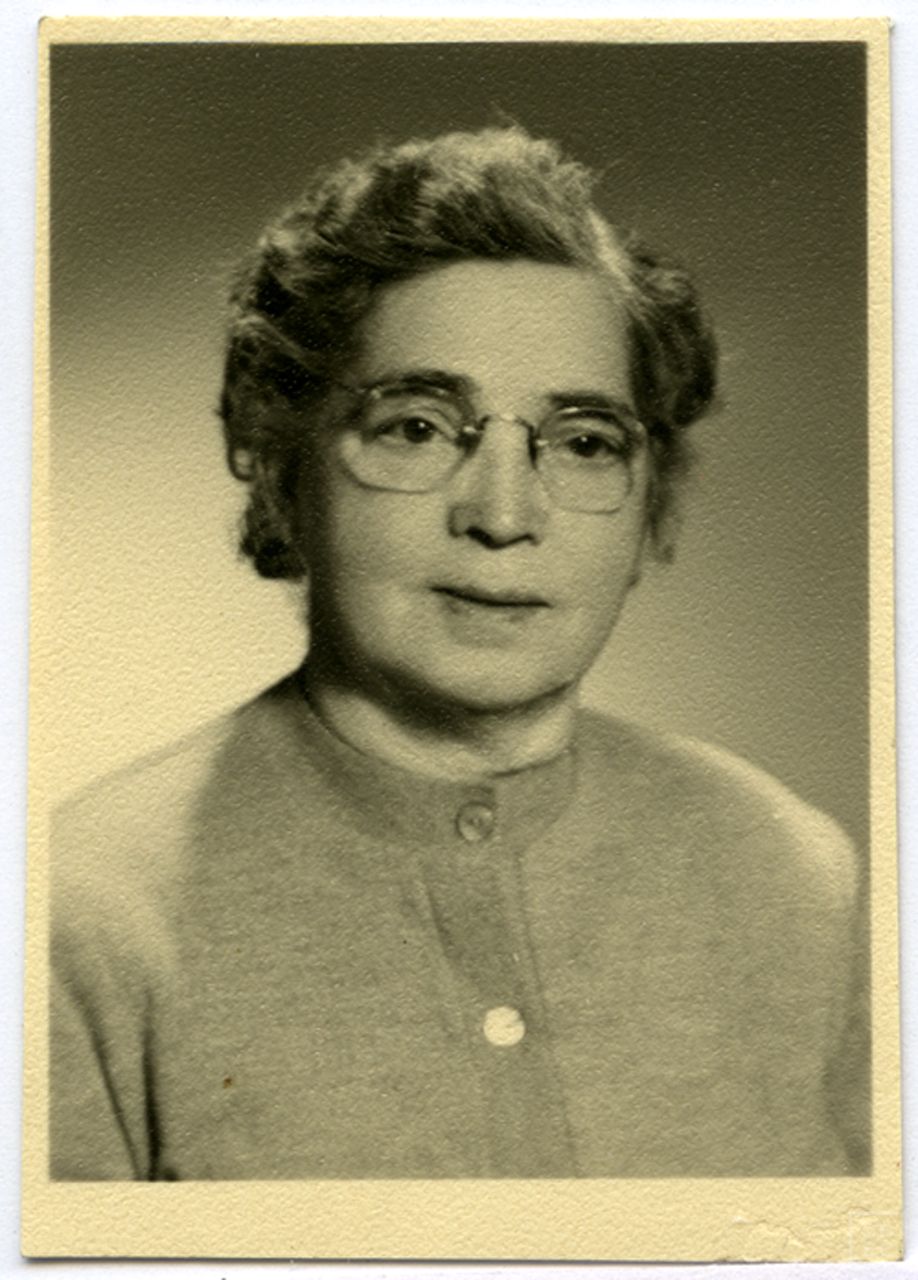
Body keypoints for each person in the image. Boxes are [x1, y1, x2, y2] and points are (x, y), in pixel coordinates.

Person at [50, 126, 868, 1180]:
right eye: (418, 427)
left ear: (650, 505)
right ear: (281, 459)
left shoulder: (793, 872)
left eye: (584, 441)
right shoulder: (77, 916)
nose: (503, 515)